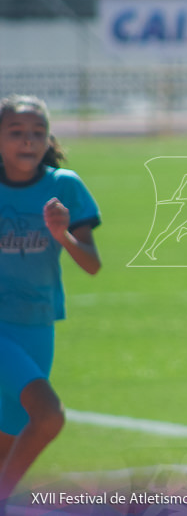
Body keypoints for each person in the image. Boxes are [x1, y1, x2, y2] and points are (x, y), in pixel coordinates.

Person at [0, 95, 102, 504]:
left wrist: (63, 235)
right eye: (16, 133)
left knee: (8, 438)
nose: (28, 141)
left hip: (39, 324)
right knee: (48, 416)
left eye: (37, 133)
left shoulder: (64, 187)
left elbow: (92, 264)